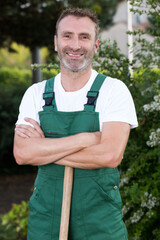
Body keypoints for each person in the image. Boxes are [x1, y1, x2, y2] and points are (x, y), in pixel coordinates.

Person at [14, 8, 138, 240]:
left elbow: (109, 156)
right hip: (45, 223)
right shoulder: (36, 94)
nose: (75, 45)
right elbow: (22, 153)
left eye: (84, 37)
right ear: (56, 42)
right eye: (67, 35)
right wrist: (86, 139)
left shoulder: (113, 91)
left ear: (96, 45)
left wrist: (44, 148)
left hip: (100, 225)